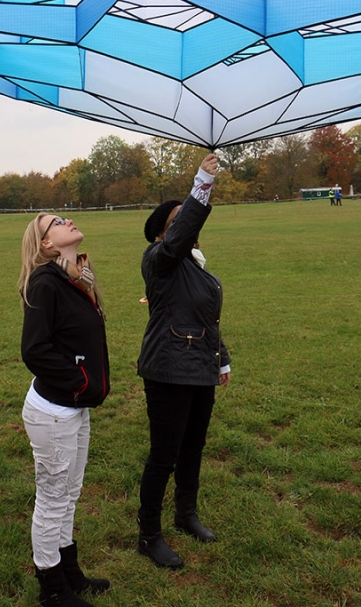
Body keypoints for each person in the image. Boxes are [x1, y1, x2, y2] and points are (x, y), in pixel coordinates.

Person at [136, 153, 231, 570]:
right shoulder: (160, 260)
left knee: (194, 445)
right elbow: (180, 234)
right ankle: (149, 534)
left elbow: (206, 319)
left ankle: (186, 514)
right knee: (164, 454)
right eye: (179, 220)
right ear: (163, 234)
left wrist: (222, 359)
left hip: (200, 367)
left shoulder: (196, 268)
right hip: (168, 369)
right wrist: (202, 183)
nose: (188, 226)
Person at [19, 213, 111, 607]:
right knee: (54, 497)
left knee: (69, 494)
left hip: (74, 408)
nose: (67, 219)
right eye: (56, 222)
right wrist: (82, 382)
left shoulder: (77, 276)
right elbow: (34, 350)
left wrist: (84, 389)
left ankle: (69, 571)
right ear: (47, 244)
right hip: (54, 411)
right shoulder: (45, 282)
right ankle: (52, 589)